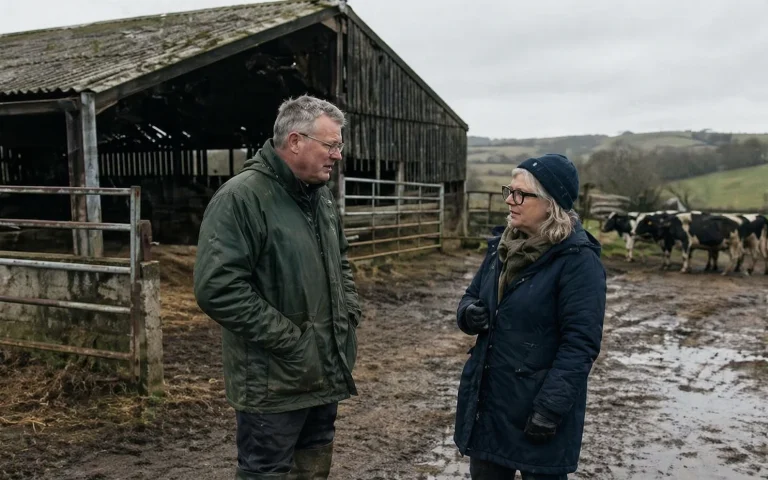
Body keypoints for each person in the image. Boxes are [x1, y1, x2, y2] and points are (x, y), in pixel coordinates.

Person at [194, 95, 361, 480]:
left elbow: (341, 260)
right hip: (273, 382)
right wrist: (291, 341)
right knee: (267, 472)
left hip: (325, 369)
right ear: (296, 141)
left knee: (314, 466)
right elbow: (218, 287)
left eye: (339, 146)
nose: (337, 155)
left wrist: (348, 313)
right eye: (331, 145)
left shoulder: (319, 196)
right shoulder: (242, 197)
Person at [453, 154, 606, 479]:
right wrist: (469, 314)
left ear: (551, 203)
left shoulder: (578, 261)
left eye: (521, 194)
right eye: (510, 190)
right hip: (490, 404)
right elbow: (470, 296)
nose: (510, 199)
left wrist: (549, 409)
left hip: (536, 409)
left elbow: (580, 344)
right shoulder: (502, 247)